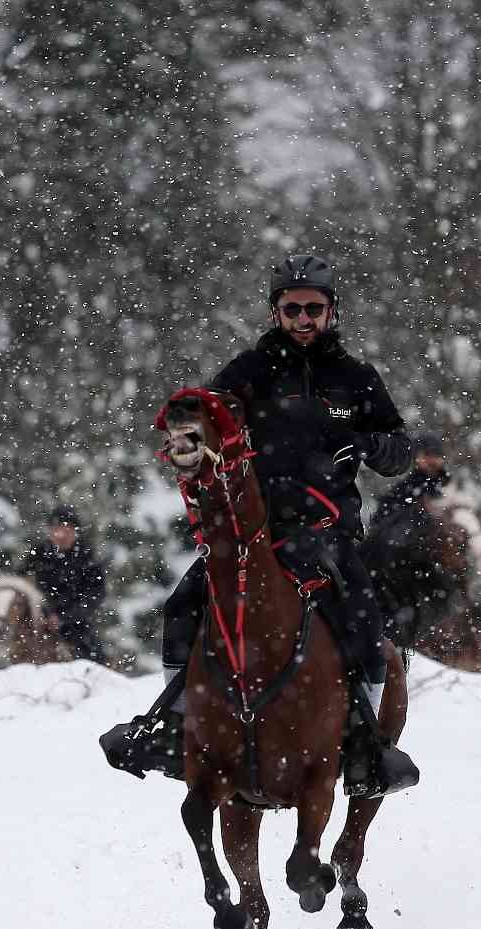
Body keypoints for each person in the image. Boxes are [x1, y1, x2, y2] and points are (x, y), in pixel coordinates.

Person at [104, 254, 418, 797]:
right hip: (255, 532)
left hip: (327, 530)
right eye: (291, 307)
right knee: (182, 606)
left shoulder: (356, 379)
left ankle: (367, 747)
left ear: (331, 312)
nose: (303, 318)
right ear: (275, 312)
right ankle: (175, 726)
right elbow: (205, 417)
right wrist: (186, 419)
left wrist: (363, 443)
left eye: (313, 309)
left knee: (365, 620)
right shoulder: (248, 372)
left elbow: (400, 452)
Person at [364, 432, 457, 648]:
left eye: (436, 455)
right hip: (409, 566)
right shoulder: (405, 491)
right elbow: (386, 528)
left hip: (437, 566)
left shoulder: (449, 492)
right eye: (427, 455)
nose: (432, 460)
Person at [18, 504, 107, 663]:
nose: (61, 535)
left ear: (75, 532)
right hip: (36, 618)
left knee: (90, 656)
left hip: (73, 625)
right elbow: (21, 581)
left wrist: (64, 617)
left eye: (67, 530)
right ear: (50, 531)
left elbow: (96, 594)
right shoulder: (38, 553)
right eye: (57, 529)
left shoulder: (87, 557)